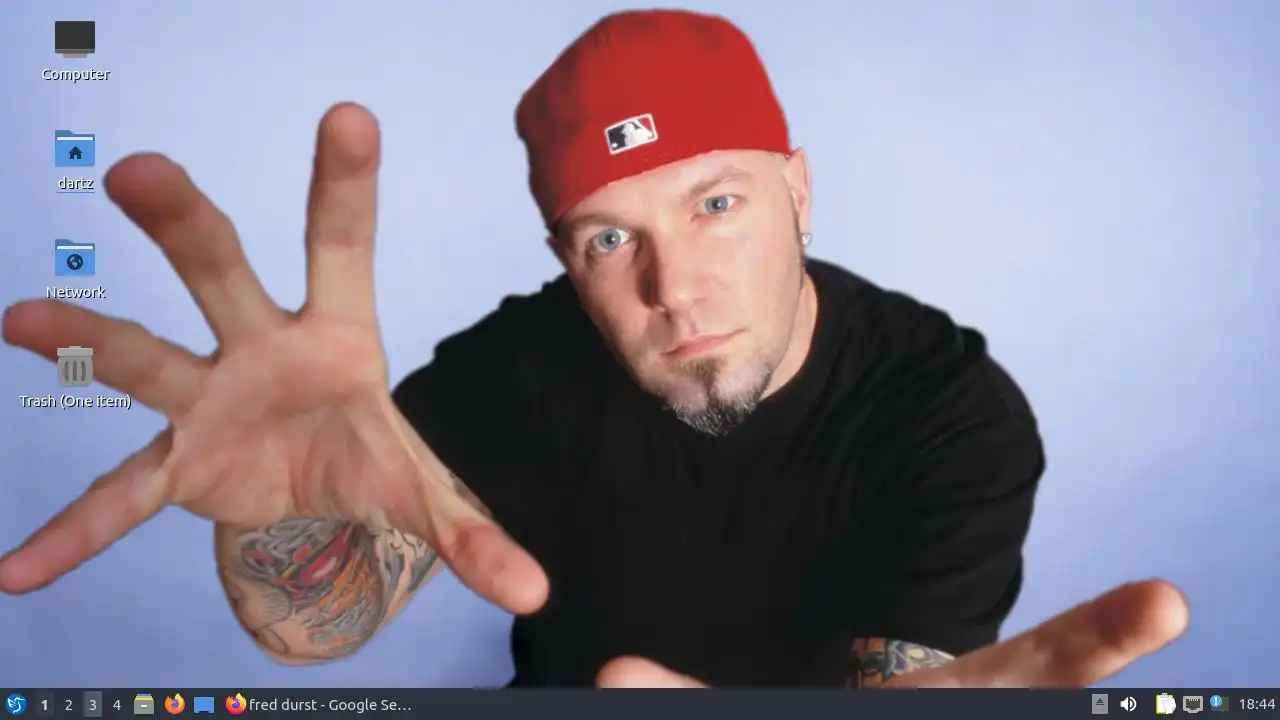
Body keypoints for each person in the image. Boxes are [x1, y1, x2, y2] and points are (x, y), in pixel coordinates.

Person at [0, 9, 1187, 688]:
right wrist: (278, 508)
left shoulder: (944, 410)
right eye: (610, 238)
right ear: (564, 258)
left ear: (796, 190)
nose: (673, 287)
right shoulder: (509, 374)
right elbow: (309, 622)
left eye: (714, 204)